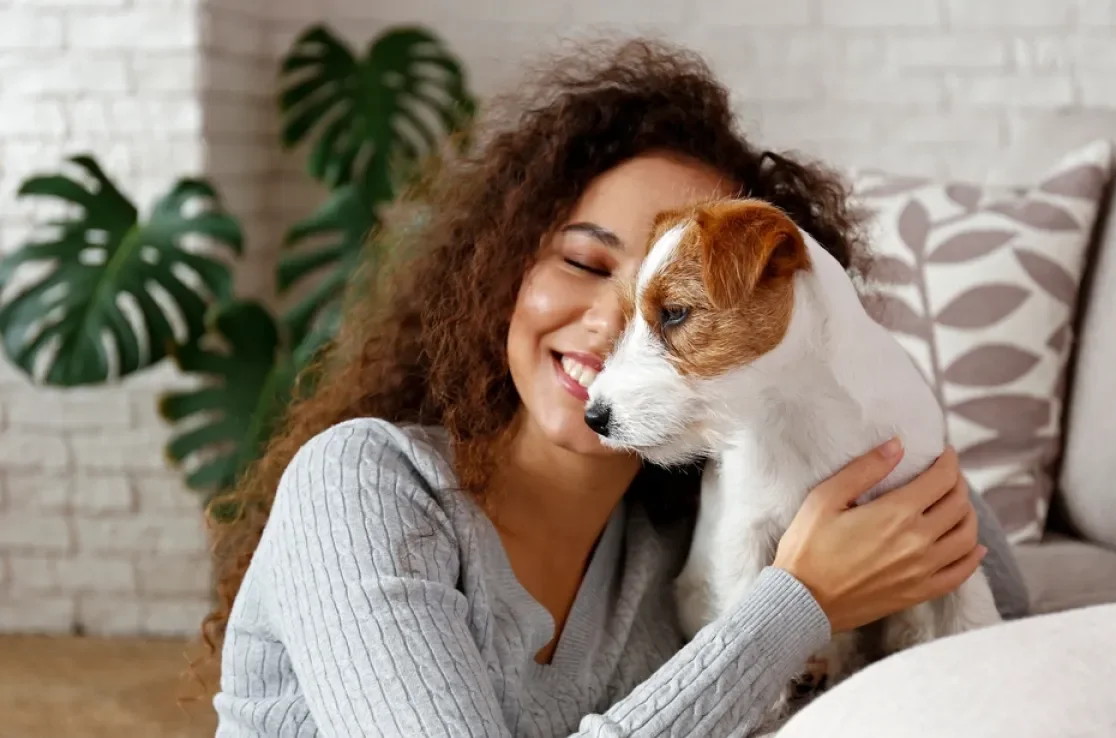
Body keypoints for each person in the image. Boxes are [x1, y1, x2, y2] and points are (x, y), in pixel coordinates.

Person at [204, 37, 1029, 737]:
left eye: (673, 305)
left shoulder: (680, 545)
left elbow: (1003, 600)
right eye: (585, 262)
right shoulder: (362, 486)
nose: (610, 328)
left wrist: (863, 412)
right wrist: (794, 607)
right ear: (505, 266)